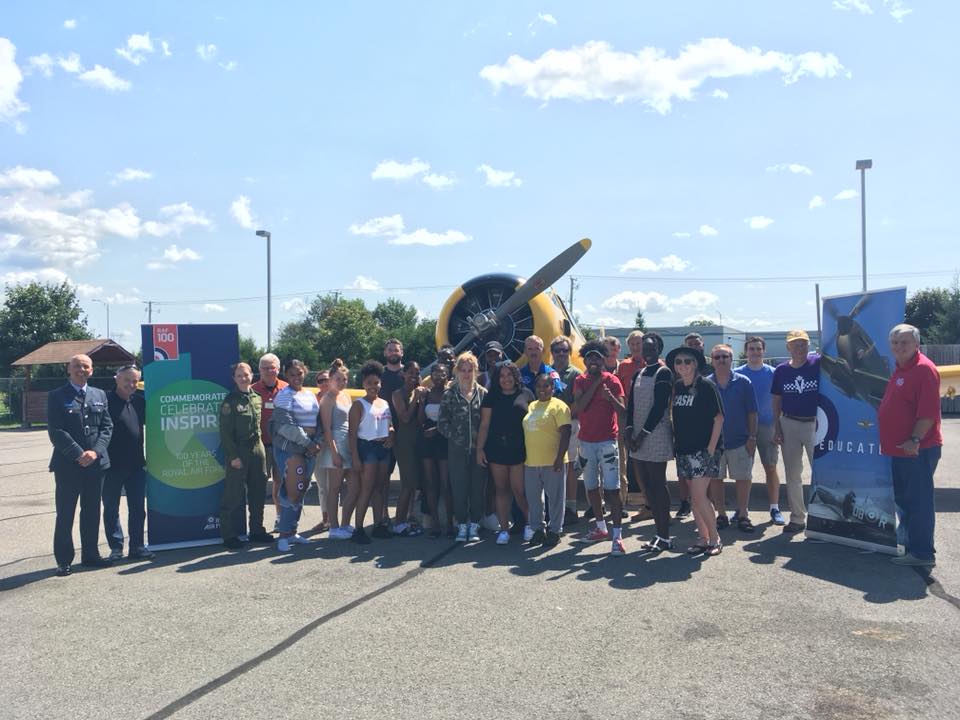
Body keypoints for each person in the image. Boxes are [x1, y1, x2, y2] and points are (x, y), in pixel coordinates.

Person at [878, 324, 943, 567]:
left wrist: (914, 439)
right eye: (895, 343)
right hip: (900, 450)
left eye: (904, 342)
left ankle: (923, 554)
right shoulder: (901, 368)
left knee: (919, 503)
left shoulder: (924, 369)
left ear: (916, 344)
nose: (899, 347)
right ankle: (909, 547)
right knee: (905, 502)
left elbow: (928, 414)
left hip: (917, 450)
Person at [47, 354, 113, 576]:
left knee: (92, 511)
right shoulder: (56, 396)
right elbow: (56, 431)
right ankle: (64, 560)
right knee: (66, 513)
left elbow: (106, 427)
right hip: (68, 465)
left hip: (95, 464)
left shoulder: (100, 395)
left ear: (92, 370)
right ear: (69, 369)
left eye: (85, 366)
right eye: (77, 366)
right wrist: (78, 454)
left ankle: (91, 555)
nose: (81, 369)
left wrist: (95, 452)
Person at [667, 345, 724, 556]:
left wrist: (710, 448)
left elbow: (719, 418)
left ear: (696, 364)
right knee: (694, 497)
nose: (683, 365)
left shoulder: (707, 386)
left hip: (704, 451)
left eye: (687, 361)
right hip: (684, 450)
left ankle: (715, 538)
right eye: (678, 362)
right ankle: (703, 537)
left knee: (699, 496)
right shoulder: (678, 387)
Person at [573, 340, 627, 556]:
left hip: (607, 442)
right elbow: (580, 406)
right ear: (585, 360)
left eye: (598, 357)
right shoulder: (580, 380)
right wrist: (596, 385)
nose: (594, 360)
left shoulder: (613, 381)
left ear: (604, 359)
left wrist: (610, 397)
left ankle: (617, 536)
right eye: (590, 357)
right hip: (586, 442)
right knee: (591, 487)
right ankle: (601, 526)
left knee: (612, 490)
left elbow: (623, 410)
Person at [625, 333, 675, 552]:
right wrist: (629, 432)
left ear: (659, 350)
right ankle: (657, 533)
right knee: (646, 485)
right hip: (637, 437)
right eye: (644, 348)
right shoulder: (639, 373)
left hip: (654, 435)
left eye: (651, 348)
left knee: (657, 484)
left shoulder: (664, 373)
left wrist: (642, 435)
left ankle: (664, 535)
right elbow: (632, 405)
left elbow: (659, 408)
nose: (647, 352)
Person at [477, 361, 534, 544]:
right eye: (502, 376)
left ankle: (529, 525)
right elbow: (484, 425)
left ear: (516, 376)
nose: (506, 379)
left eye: (509, 375)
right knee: (501, 490)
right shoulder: (491, 396)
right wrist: (480, 449)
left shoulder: (526, 394)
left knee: (519, 491)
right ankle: (504, 530)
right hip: (496, 448)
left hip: (519, 449)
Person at [218, 362, 273, 549]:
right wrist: (233, 456)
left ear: (252, 375)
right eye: (239, 375)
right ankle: (228, 535)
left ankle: (256, 530)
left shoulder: (257, 397)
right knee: (233, 495)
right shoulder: (230, 401)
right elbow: (225, 433)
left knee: (258, 493)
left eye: (246, 374)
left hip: (258, 450)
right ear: (234, 379)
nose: (243, 378)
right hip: (238, 452)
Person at [102, 364, 153, 561]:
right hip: (111, 467)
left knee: (138, 510)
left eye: (135, 381)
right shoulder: (104, 401)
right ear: (117, 379)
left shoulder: (140, 402)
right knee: (111, 509)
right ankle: (116, 548)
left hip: (136, 466)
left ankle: (137, 547)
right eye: (127, 380)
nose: (131, 384)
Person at [271, 360, 323, 551]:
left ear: (305, 372)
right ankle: (283, 536)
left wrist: (316, 441)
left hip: (309, 450)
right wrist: (308, 443)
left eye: (299, 373)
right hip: (291, 449)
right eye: (292, 374)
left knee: (300, 491)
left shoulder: (309, 394)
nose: (296, 377)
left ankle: (292, 532)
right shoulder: (284, 396)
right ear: (286, 375)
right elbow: (286, 427)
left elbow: (318, 422)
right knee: (292, 491)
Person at [771, 329, 819, 534]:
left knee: (820, 473)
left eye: (803, 344)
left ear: (809, 345)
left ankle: (821, 518)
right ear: (788, 347)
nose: (799, 348)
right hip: (789, 422)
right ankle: (798, 518)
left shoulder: (818, 363)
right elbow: (776, 400)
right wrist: (777, 426)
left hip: (815, 424)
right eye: (795, 344)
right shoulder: (781, 370)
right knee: (793, 474)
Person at [707, 344, 758, 533]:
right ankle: (720, 514)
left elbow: (752, 413)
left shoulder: (744, 382)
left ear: (731, 359)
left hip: (740, 441)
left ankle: (743, 514)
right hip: (715, 443)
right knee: (716, 479)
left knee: (743, 478)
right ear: (712, 361)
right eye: (717, 357)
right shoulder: (706, 383)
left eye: (725, 356)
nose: (721, 360)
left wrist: (752, 437)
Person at [736, 336, 785, 525]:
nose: (755, 352)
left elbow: (781, 401)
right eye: (751, 349)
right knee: (743, 471)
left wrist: (778, 427)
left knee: (770, 467)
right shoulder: (737, 374)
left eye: (758, 349)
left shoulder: (773, 373)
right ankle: (742, 510)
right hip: (744, 428)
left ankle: (774, 507)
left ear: (764, 351)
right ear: (746, 352)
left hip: (768, 427)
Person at [438, 352, 487, 542]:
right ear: (457, 371)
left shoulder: (483, 393)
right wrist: (455, 437)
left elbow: (487, 421)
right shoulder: (449, 394)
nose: (466, 374)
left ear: (475, 371)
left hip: (478, 450)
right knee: (459, 489)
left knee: (477, 489)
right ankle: (461, 525)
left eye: (470, 370)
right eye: (463, 370)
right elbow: (442, 423)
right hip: (456, 450)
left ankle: (474, 525)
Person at [522, 372, 572, 546]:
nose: (542, 389)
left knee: (556, 498)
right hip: (531, 461)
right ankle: (537, 530)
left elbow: (566, 433)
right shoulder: (532, 406)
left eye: (546, 386)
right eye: (539, 386)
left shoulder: (559, 406)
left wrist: (559, 457)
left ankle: (555, 530)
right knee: (534, 499)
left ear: (552, 388)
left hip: (553, 461)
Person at [349, 361, 395, 544]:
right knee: (366, 489)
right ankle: (358, 528)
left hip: (383, 448)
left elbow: (389, 424)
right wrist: (355, 457)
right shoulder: (358, 405)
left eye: (376, 382)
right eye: (369, 383)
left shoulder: (384, 403)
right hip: (366, 448)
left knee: (380, 488)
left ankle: (378, 525)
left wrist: (392, 434)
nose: (373, 386)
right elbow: (352, 434)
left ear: (380, 383)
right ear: (363, 384)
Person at [318, 359, 357, 540]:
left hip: (348, 444)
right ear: (331, 378)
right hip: (336, 446)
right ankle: (333, 527)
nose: (341, 383)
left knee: (355, 487)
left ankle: (345, 523)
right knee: (334, 488)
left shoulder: (346, 396)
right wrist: (334, 454)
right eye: (338, 379)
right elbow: (327, 429)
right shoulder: (327, 399)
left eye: (344, 380)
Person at [674, 332, 710, 518]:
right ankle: (684, 503)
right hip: (682, 431)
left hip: (703, 432)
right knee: (683, 473)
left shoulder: (708, 370)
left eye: (697, 344)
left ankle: (705, 506)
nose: (694, 346)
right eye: (690, 344)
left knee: (703, 475)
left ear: (702, 345)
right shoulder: (679, 372)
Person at [252, 353, 288, 530]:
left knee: (280, 482)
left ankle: (280, 517)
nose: (268, 371)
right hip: (261, 445)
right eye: (264, 367)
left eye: (272, 367)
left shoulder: (287, 388)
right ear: (259, 370)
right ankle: (257, 525)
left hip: (282, 444)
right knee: (259, 484)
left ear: (278, 369)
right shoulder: (252, 390)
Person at [550, 335, 582, 527]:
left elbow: (578, 402)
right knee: (551, 466)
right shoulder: (547, 371)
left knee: (569, 466)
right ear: (552, 353)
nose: (561, 354)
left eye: (564, 350)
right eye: (557, 350)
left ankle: (571, 507)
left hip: (570, 424)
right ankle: (554, 507)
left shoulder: (576, 374)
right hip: (548, 426)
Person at [418, 363, 453, 538]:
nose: (438, 377)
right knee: (430, 482)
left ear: (447, 376)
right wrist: (422, 400)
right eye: (435, 374)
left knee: (446, 484)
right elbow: (420, 418)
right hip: (427, 439)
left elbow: (454, 418)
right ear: (430, 376)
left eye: (442, 374)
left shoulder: (451, 394)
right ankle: (436, 524)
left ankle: (450, 524)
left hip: (444, 438)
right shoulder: (427, 393)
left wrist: (438, 429)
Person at [617, 331, 649, 518]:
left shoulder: (655, 365)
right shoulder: (624, 367)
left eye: (639, 344)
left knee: (647, 460)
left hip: (647, 417)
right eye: (633, 344)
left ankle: (648, 503)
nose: (636, 347)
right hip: (627, 417)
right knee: (627, 459)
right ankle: (627, 501)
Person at [392, 360, 425, 535]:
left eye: (417, 373)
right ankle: (398, 521)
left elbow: (419, 420)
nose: (414, 376)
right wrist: (416, 400)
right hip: (404, 442)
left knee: (414, 484)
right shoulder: (398, 394)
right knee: (406, 484)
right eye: (410, 373)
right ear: (403, 374)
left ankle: (409, 519)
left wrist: (422, 400)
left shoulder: (418, 393)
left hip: (417, 440)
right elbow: (404, 418)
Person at [309, 369, 331, 534]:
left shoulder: (339, 397)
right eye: (320, 380)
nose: (323, 383)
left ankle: (333, 519)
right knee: (322, 486)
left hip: (334, 446)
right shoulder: (311, 399)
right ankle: (326, 519)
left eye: (326, 379)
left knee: (334, 486)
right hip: (318, 447)